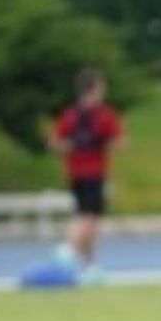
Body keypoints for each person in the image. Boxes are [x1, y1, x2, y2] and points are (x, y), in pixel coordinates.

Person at [49, 68, 124, 281]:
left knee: (86, 218)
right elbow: (120, 143)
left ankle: (91, 267)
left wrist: (72, 145)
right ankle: (67, 248)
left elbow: (55, 144)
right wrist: (98, 143)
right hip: (94, 173)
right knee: (89, 219)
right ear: (95, 88)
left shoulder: (70, 115)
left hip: (75, 174)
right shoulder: (103, 115)